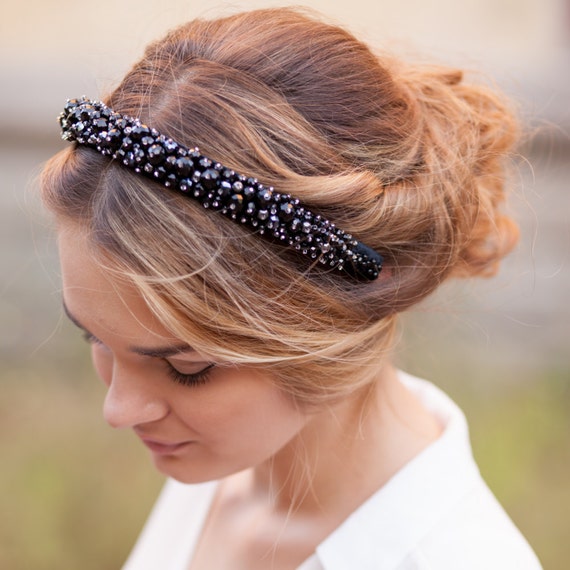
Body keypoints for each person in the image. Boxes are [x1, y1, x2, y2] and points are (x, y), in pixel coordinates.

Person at [41, 7, 542, 570]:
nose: (119, 409)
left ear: (325, 319)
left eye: (187, 367)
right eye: (95, 338)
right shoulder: (226, 466)